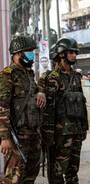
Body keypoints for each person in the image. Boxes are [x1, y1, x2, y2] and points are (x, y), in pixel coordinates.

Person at [42, 37, 89, 184]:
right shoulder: (53, 78)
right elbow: (48, 110)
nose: (74, 55)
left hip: (76, 131)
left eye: (75, 52)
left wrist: (84, 127)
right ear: (62, 54)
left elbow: (82, 103)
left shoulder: (76, 77)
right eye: (71, 52)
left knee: (73, 172)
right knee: (57, 173)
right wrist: (48, 137)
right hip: (60, 135)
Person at [0, 35, 46, 183]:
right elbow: (2, 107)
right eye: (28, 51)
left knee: (30, 175)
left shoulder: (28, 74)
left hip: (33, 134)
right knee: (13, 178)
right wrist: (5, 138)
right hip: (17, 137)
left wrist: (39, 93)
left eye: (32, 51)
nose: (32, 54)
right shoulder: (8, 75)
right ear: (18, 53)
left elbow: (33, 92)